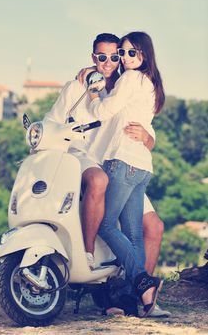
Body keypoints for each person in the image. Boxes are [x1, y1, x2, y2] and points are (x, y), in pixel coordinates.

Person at [44, 33, 169, 317]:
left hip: (121, 163)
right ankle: (108, 279)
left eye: (117, 56)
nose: (112, 62)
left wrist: (149, 138)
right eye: (104, 57)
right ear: (93, 58)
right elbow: (54, 123)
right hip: (91, 161)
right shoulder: (78, 86)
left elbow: (144, 123)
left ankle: (138, 294)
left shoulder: (126, 84)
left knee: (154, 228)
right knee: (108, 203)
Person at [82, 31, 165, 316]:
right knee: (134, 236)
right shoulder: (151, 83)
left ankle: (143, 282)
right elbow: (145, 125)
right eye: (123, 53)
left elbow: (103, 111)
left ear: (144, 55)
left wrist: (94, 95)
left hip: (122, 162)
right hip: (142, 166)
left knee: (106, 226)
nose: (125, 59)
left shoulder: (129, 79)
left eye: (131, 53)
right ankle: (139, 302)